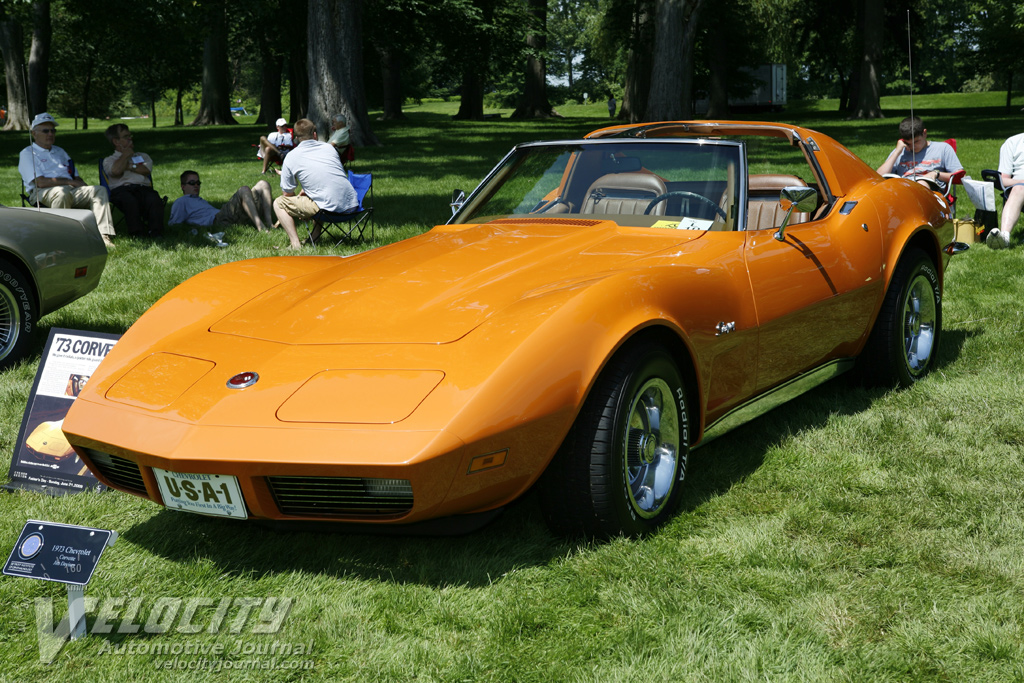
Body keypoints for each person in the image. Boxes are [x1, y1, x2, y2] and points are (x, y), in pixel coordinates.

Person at [18, 112, 116, 248]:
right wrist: (70, 182)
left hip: (70, 190)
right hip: (42, 192)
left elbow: (75, 176)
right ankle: (64, 237)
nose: (50, 134)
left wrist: (80, 184)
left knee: (99, 190)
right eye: (45, 131)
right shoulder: (28, 153)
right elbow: (39, 182)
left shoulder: (60, 151)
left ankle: (103, 236)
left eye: (53, 130)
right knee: (61, 191)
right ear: (34, 134)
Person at [273, 118, 358, 249]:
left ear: (296, 138)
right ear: (314, 134)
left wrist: (299, 208)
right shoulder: (330, 149)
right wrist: (304, 196)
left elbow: (287, 194)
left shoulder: (291, 156)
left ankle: (295, 244)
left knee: (278, 203)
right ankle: (315, 236)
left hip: (329, 209)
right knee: (316, 195)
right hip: (352, 206)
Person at [103, 123, 164, 237]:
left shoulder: (143, 156)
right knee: (129, 200)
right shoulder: (109, 160)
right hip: (121, 190)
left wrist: (128, 166)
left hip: (143, 188)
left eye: (130, 136)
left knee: (154, 198)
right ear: (116, 141)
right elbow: (116, 171)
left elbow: (145, 170)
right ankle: (136, 233)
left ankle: (156, 232)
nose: (130, 139)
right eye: (126, 137)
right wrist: (125, 156)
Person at [876, 116, 962, 192]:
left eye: (916, 141)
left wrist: (936, 174)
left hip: (931, 193)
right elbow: (877, 179)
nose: (913, 146)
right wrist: (896, 152)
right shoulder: (900, 151)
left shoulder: (943, 148)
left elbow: (960, 178)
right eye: (908, 143)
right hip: (903, 190)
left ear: (924, 133)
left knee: (921, 184)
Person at [169, 171, 275, 232]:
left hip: (227, 217)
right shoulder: (181, 202)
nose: (196, 185)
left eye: (198, 183)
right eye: (192, 183)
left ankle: (270, 224)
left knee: (263, 184)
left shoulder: (198, 200)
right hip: (218, 220)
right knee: (244, 190)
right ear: (183, 186)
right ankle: (261, 227)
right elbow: (174, 224)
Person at [985, 131, 1024, 249]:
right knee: (1019, 188)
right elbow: (1004, 180)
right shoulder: (1013, 143)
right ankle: (1004, 237)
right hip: (1020, 189)